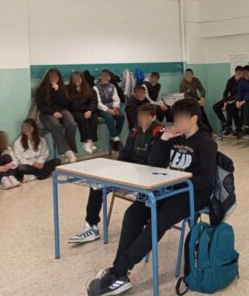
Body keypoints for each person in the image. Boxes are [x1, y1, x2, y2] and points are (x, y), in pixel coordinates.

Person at [86, 98, 217, 296]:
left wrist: (178, 183)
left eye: (181, 118)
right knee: (133, 213)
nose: (176, 122)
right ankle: (120, 273)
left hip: (193, 193)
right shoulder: (174, 138)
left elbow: (207, 178)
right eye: (175, 118)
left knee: (158, 221)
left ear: (193, 119)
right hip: (169, 188)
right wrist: (164, 139)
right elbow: (154, 163)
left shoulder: (206, 143)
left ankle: (118, 271)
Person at [69, 104, 163, 244]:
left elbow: (157, 162)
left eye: (144, 116)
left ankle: (144, 227)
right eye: (139, 117)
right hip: (129, 174)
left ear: (153, 117)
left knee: (144, 203)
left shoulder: (159, 133)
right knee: (97, 186)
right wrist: (118, 174)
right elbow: (124, 154)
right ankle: (91, 226)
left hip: (147, 178)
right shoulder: (135, 132)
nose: (141, 119)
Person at [36, 68, 78, 163]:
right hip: (47, 113)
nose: (53, 78)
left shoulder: (62, 88)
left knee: (72, 124)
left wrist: (58, 91)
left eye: (55, 76)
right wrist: (53, 113)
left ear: (58, 77)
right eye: (51, 76)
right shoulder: (41, 89)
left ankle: (69, 151)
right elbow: (41, 106)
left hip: (61, 110)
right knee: (55, 124)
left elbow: (66, 103)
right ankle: (67, 151)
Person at [67, 71, 99, 154]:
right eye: (75, 79)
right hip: (76, 110)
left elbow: (94, 101)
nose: (77, 80)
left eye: (79, 78)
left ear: (82, 79)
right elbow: (71, 104)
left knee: (94, 118)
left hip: (88, 110)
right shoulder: (67, 89)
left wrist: (90, 110)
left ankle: (89, 141)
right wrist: (84, 109)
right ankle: (86, 141)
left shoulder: (89, 88)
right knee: (81, 119)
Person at [95, 69, 125, 151]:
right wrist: (108, 110)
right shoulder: (96, 87)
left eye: (107, 76)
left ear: (109, 77)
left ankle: (114, 138)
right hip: (101, 109)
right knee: (109, 117)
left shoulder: (112, 86)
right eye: (103, 76)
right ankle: (116, 138)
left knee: (121, 116)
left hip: (112, 107)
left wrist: (115, 107)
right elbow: (98, 103)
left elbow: (116, 99)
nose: (105, 78)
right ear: (100, 77)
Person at [213, 66, 242, 136]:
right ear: (235, 72)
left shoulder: (243, 80)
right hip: (231, 97)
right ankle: (225, 123)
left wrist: (229, 102)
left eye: (241, 73)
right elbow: (226, 92)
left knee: (231, 107)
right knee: (216, 106)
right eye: (238, 73)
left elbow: (241, 92)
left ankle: (230, 127)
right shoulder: (230, 80)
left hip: (239, 98)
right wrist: (225, 101)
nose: (240, 74)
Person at [231, 65, 249, 137]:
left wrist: (243, 101)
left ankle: (246, 127)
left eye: (246, 72)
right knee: (233, 106)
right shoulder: (241, 80)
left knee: (246, 105)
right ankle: (239, 128)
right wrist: (237, 101)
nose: (244, 74)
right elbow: (239, 91)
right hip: (242, 100)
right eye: (243, 72)